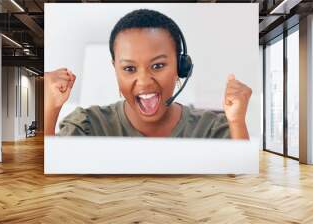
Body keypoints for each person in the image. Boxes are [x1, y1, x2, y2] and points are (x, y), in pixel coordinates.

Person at [44, 9, 252, 139]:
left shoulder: (211, 129)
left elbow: (241, 182)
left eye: (158, 65)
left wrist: (237, 122)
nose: (143, 81)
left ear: (180, 68)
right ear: (115, 70)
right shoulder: (87, 125)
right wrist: (50, 108)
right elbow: (54, 177)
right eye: (129, 69)